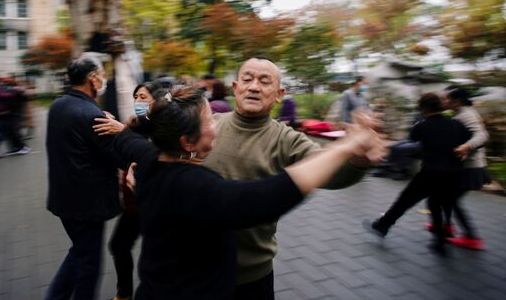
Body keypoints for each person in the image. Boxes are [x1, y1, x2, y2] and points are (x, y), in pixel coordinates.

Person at [108, 86, 385, 300]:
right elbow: (270, 195)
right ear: (187, 141)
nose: (216, 123)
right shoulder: (194, 186)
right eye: (209, 120)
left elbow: (126, 141)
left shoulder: (150, 160)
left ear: (279, 94)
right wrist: (346, 147)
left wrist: (125, 127)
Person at [202, 58, 378, 300]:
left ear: (278, 94)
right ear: (235, 87)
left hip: (251, 276)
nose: (254, 87)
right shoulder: (208, 126)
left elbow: (329, 171)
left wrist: (357, 159)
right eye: (247, 79)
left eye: (265, 82)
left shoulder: (287, 140)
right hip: (194, 269)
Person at [45, 56, 125, 300]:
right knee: (88, 265)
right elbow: (119, 157)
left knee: (79, 252)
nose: (104, 80)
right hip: (87, 205)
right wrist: (120, 129)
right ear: (92, 78)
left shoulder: (58, 105)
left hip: (64, 199)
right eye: (101, 74)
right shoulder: (92, 114)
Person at [364, 92, 472, 255]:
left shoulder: (422, 125)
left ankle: (383, 225)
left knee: (405, 200)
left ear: (423, 109)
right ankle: (439, 241)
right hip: (454, 173)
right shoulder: (456, 124)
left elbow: (413, 139)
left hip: (430, 173)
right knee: (436, 203)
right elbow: (468, 138)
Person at [93, 81, 163, 300]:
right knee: (119, 245)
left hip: (156, 205)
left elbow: (155, 157)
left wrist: (122, 132)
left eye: (143, 97)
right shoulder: (133, 125)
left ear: (157, 101)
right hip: (134, 205)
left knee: (156, 257)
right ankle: (124, 294)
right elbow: (125, 157)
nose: (138, 101)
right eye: (136, 97)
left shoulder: (163, 127)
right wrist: (115, 129)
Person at [434, 86, 490, 250]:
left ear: (456, 102)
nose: (443, 101)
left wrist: (466, 147)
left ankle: (471, 237)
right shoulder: (460, 113)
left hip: (471, 169)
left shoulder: (467, 115)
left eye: (446, 99)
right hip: (463, 167)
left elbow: (482, 135)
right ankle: (447, 226)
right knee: (445, 196)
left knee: (450, 199)